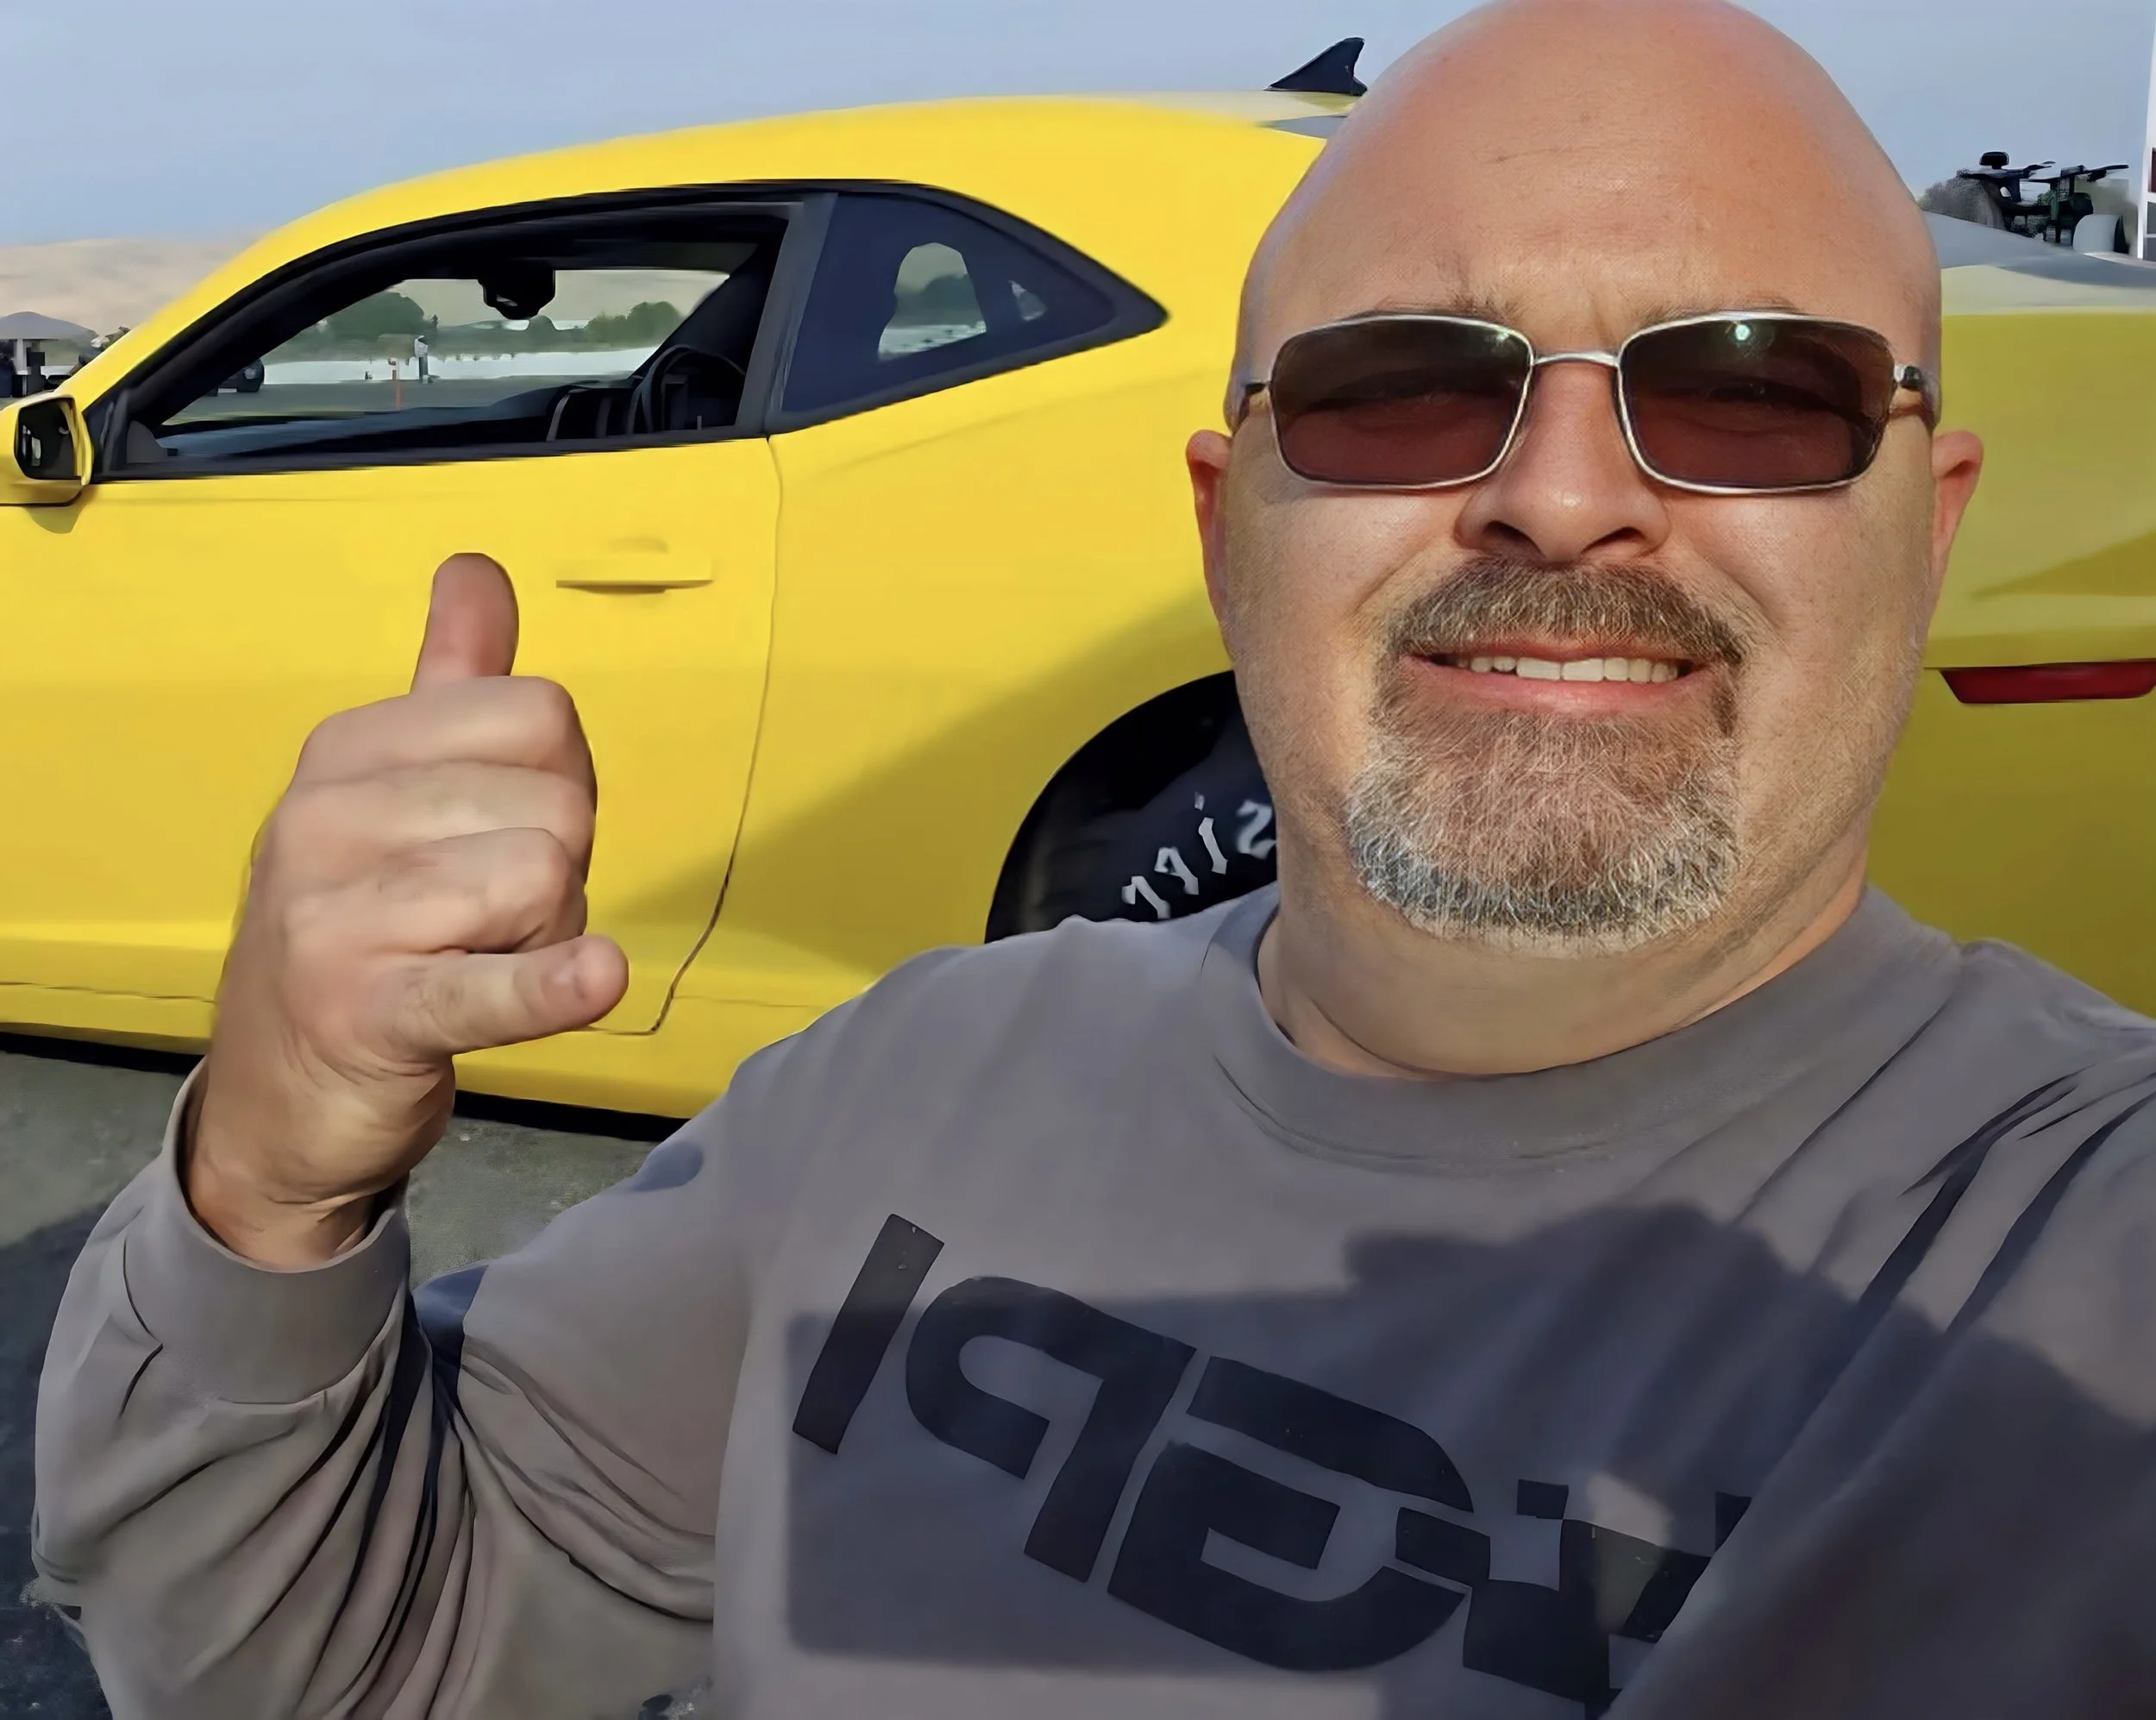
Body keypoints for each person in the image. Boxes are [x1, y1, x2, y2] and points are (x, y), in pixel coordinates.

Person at [32, 1, 2156, 1714]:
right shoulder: (905, 1082)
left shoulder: (2072, 1260)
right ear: (1221, 522)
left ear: (1928, 518)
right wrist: (270, 1185)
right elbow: (331, 1653)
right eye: (1407, 386)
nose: (1565, 500)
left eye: (1753, 391)